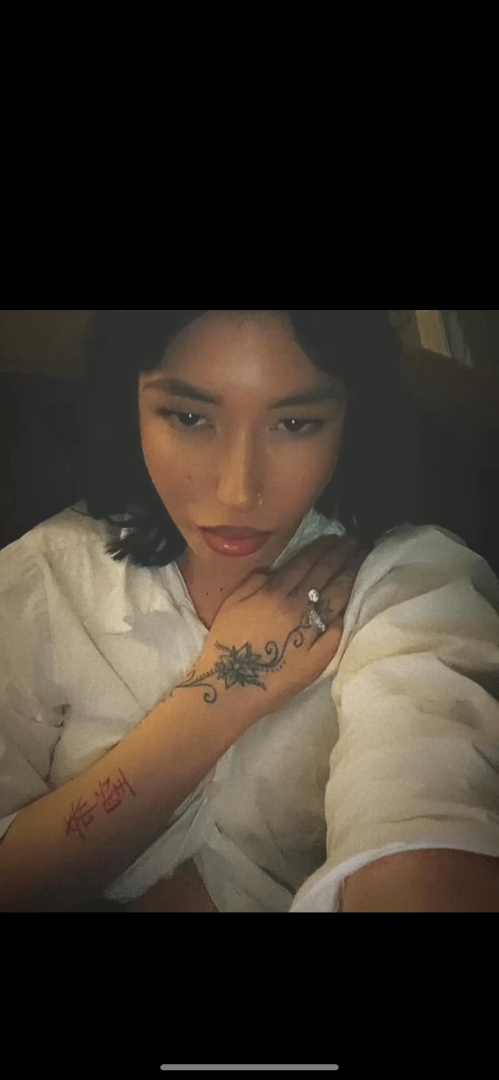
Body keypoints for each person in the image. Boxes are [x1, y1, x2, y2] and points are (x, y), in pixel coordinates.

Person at [1, 309, 499, 913]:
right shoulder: (45, 579)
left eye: (295, 423)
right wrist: (221, 697)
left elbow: (427, 821)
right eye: (189, 417)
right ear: (127, 400)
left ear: (351, 418)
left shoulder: (408, 586)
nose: (238, 491)